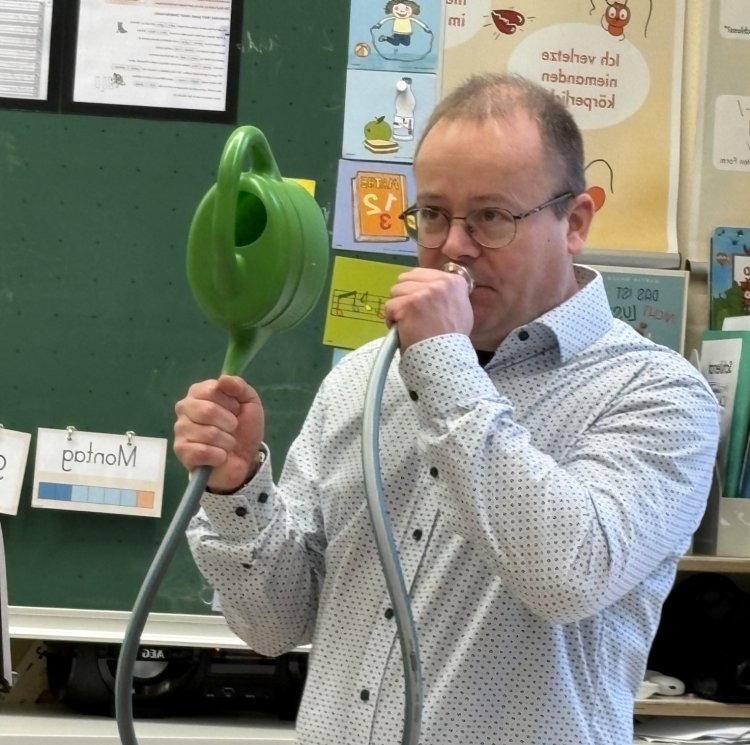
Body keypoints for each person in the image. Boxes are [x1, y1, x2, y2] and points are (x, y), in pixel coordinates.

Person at [173, 73, 720, 745]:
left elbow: (567, 575)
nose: (453, 245)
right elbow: (274, 626)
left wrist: (442, 363)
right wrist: (236, 490)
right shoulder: (360, 380)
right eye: (433, 214)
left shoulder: (658, 394)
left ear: (575, 222)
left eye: (491, 216)